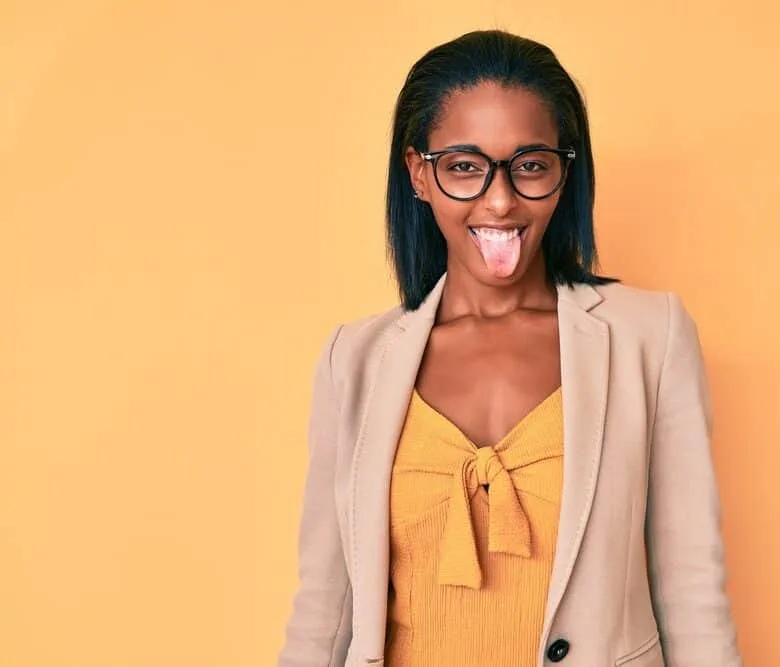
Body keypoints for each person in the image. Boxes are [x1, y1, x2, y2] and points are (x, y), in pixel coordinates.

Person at [277, 29, 741, 667]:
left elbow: (693, 596)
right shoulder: (353, 360)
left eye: (530, 165)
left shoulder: (649, 338)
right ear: (419, 174)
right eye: (464, 166)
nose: (500, 200)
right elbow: (322, 610)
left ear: (563, 171)